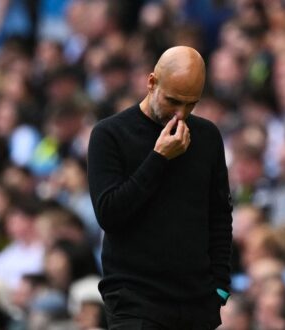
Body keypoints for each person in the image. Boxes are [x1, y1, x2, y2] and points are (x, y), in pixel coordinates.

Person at [87, 46, 233, 329]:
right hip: (135, 300)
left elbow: (219, 214)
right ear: (151, 82)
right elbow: (109, 214)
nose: (180, 114)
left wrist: (220, 286)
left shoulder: (207, 136)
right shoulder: (110, 134)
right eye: (173, 100)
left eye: (191, 104)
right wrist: (159, 158)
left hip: (196, 302)